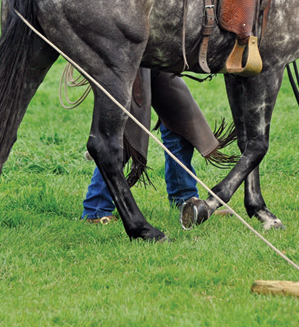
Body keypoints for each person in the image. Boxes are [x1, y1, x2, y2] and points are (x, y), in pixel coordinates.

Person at [81, 69, 234, 223]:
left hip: (156, 54)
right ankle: (96, 209)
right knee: (129, 134)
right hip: (130, 55)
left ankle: (185, 202)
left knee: (180, 116)